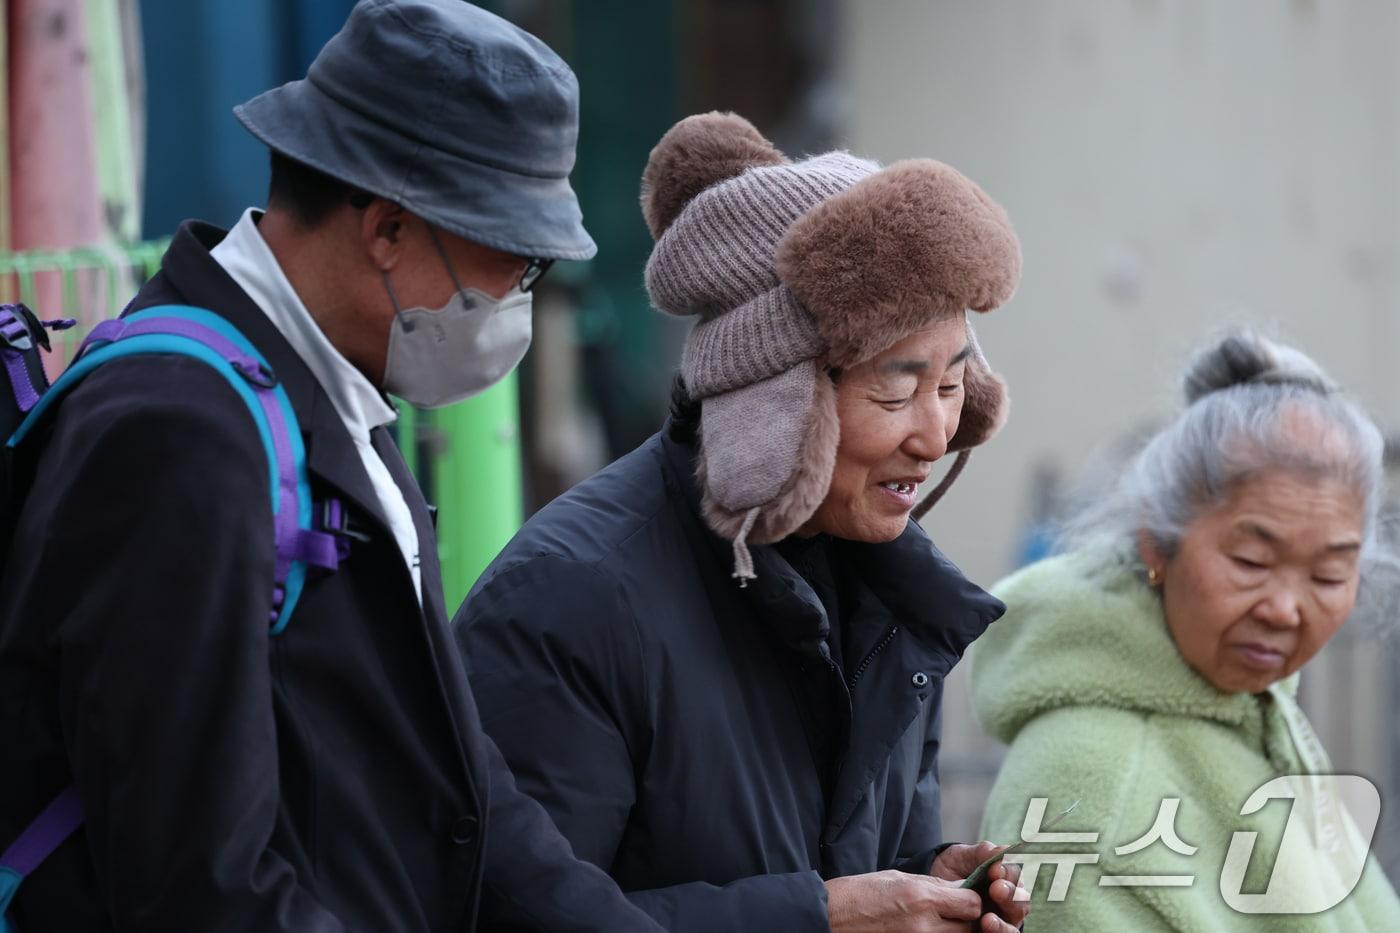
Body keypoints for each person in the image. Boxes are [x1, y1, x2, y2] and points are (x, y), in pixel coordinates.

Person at [0, 2, 663, 930]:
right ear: (386, 229)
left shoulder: (324, 381)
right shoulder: (177, 433)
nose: (516, 303)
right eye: (511, 264)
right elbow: (198, 884)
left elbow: (459, 778)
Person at [456, 112, 1030, 932]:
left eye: (952, 386)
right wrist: (817, 918)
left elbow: (855, 867)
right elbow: (509, 915)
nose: (935, 434)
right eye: (896, 391)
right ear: (775, 399)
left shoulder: (892, 596)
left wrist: (923, 885)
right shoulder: (568, 599)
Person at [972, 332, 1400, 931]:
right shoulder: (1091, 782)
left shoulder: (1255, 717)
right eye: (1251, 562)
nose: (1285, 609)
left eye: (1329, 574)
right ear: (1157, 542)